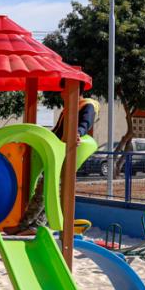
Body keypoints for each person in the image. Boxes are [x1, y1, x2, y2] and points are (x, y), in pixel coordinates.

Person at [13, 98, 99, 233]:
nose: (61, 94)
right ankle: (35, 226)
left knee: (46, 189)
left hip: (65, 152)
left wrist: (77, 133)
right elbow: (58, 130)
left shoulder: (87, 105)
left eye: (63, 90)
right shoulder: (70, 106)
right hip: (57, 151)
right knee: (49, 190)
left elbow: (85, 123)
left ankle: (26, 225)